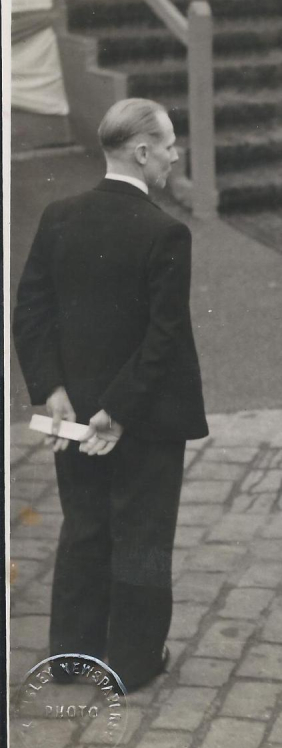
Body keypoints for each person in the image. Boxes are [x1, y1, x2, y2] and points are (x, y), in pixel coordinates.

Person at [13, 98, 208, 693]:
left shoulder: (59, 215)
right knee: (143, 533)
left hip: (73, 413)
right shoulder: (165, 231)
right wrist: (118, 413)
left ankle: (71, 657)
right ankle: (131, 659)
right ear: (142, 151)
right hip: (143, 417)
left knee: (85, 527)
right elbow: (164, 337)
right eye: (170, 144)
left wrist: (54, 392)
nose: (176, 155)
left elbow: (30, 314)